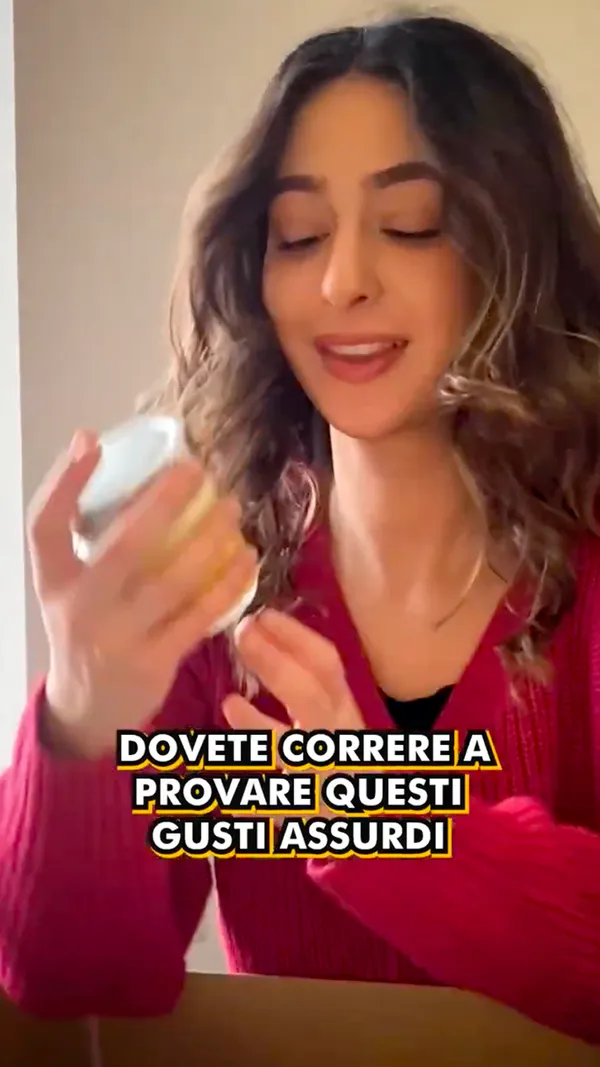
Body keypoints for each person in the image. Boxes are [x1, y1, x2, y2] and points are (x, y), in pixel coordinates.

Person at [0, 10, 599, 1044]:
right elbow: (70, 977)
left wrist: (372, 818)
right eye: (299, 236)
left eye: (412, 223)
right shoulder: (217, 584)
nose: (340, 282)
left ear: (517, 250)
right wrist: (81, 716)